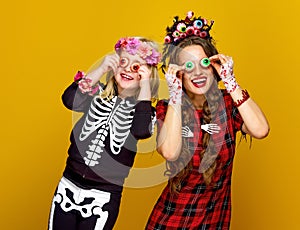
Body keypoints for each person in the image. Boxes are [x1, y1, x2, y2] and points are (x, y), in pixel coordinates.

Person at [146, 11, 269, 229]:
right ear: (179, 74)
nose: (198, 72)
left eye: (203, 63)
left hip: (216, 219)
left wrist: (230, 81)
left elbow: (260, 130)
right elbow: (170, 152)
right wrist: (175, 94)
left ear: (214, 66)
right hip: (174, 219)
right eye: (188, 66)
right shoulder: (168, 108)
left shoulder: (229, 103)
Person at [48, 37, 160, 230]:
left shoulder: (143, 111)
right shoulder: (96, 93)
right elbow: (68, 99)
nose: (127, 69)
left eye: (136, 67)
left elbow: (142, 131)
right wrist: (100, 68)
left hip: (103, 197)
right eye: (123, 62)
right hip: (68, 186)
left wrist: (145, 86)